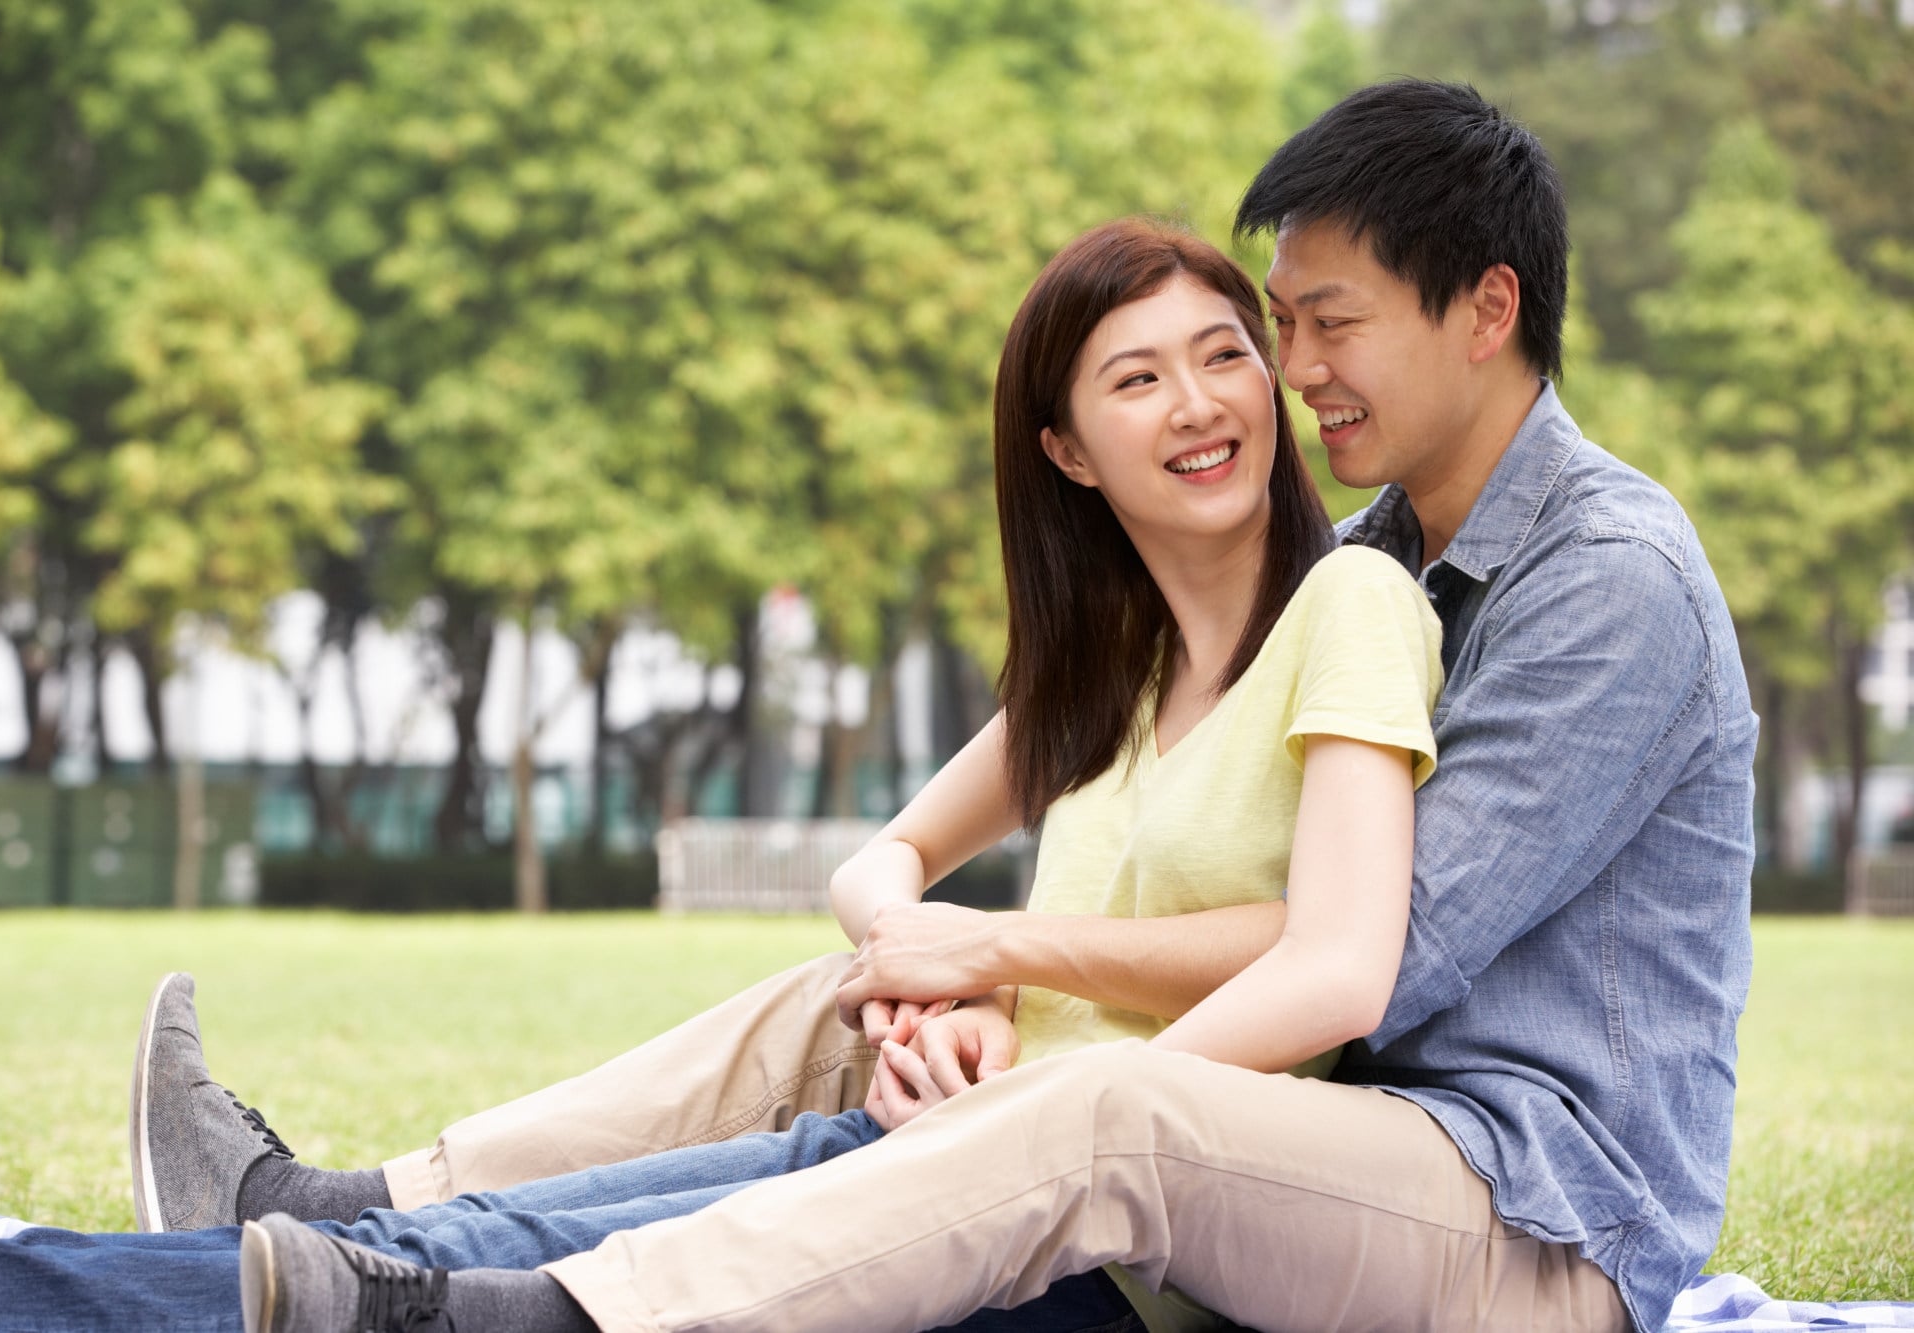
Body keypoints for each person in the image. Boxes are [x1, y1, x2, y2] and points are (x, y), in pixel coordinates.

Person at [216, 77, 1752, 1333]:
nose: (1288, 375)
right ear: (1065, 449)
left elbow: (1371, 953)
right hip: (1336, 1142)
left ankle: (531, 1314)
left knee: (1090, 1114)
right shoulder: (1377, 556)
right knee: (897, 1030)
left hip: (1535, 1214)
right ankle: (376, 1214)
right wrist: (977, 995)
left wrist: (1015, 992)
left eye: (1322, 324)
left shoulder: (1608, 582)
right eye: (1278, 323)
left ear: (1487, 310)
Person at [0, 215, 1445, 1333]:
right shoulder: (1106, 680)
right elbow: (885, 870)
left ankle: (57, 1268)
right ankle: (69, 1264)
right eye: (1139, 379)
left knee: (469, 1279)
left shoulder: (1350, 608)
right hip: (938, 1149)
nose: (1201, 403)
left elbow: (1330, 945)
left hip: (1068, 1229)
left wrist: (993, 960)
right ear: (1063, 451)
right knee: (473, 1251)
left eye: (1225, 355)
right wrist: (938, 984)